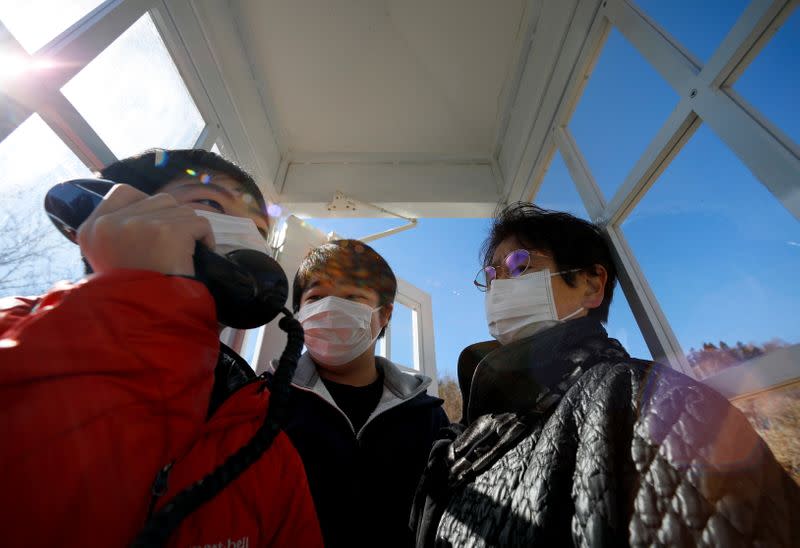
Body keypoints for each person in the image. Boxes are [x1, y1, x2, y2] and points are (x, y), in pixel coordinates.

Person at [410, 203, 799, 547]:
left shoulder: (647, 403)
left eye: (520, 266)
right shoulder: (468, 436)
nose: (499, 287)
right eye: (492, 276)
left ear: (592, 285)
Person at [0, 149, 322, 547]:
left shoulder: (265, 445)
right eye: (209, 202)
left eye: (258, 231)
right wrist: (143, 297)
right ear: (116, 213)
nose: (245, 237)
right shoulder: (10, 332)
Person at [270, 239, 450, 547]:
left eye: (353, 296)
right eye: (316, 296)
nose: (331, 308)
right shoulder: (265, 403)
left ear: (385, 315)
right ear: (298, 313)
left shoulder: (428, 415)